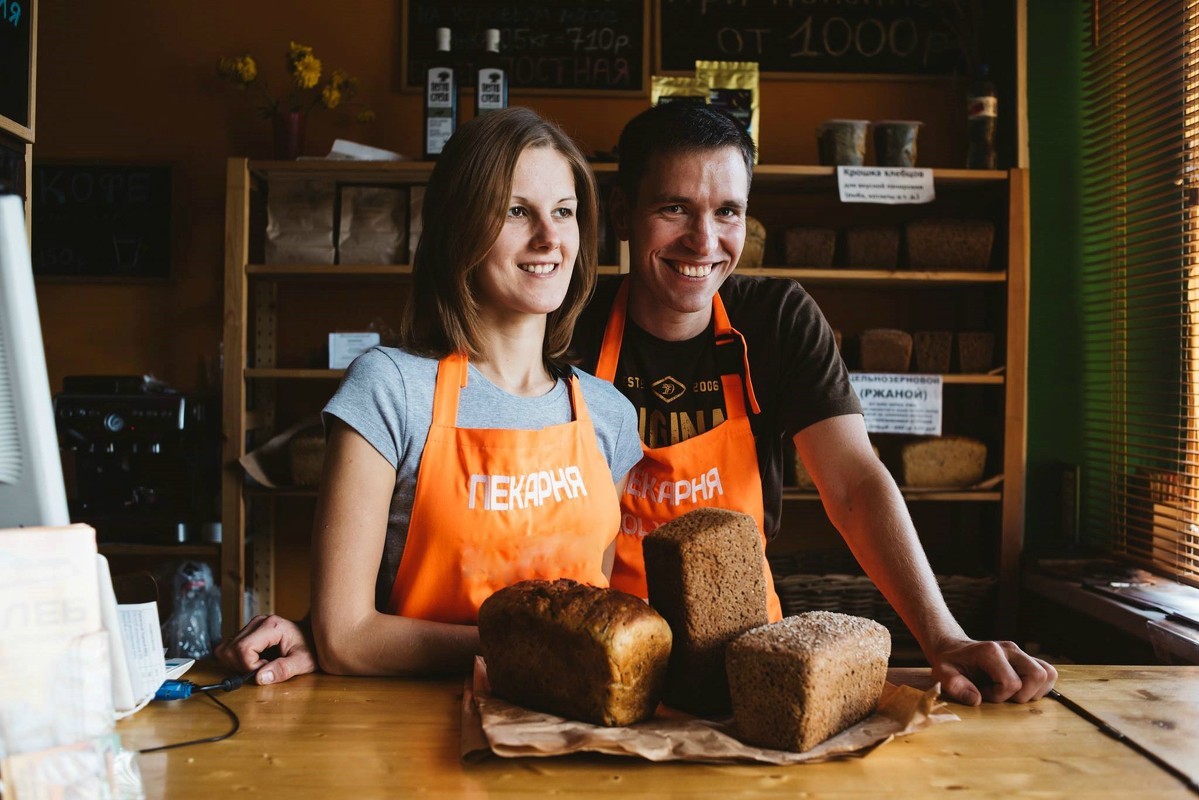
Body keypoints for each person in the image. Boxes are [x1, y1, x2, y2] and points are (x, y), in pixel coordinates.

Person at [221, 103, 1057, 706]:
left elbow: (853, 484)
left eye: (727, 212)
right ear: (623, 219)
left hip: (705, 672)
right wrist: (337, 634)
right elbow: (439, 539)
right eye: (673, 210)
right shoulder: (559, 325)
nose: (704, 242)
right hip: (563, 678)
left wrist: (941, 637)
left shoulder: (749, 332)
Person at [218, 107, 642, 679]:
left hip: (566, 727)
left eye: (564, 213)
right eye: (517, 211)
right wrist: (540, 649)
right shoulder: (390, 388)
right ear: (460, 227)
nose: (549, 237)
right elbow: (346, 638)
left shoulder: (608, 414)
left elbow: (599, 613)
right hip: (403, 736)